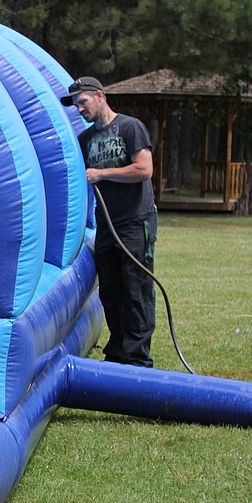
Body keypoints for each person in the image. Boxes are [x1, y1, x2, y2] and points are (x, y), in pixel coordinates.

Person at [60, 76, 157, 367]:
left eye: (83, 102)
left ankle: (138, 360)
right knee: (111, 292)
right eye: (76, 106)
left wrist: (102, 174)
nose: (79, 110)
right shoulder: (86, 140)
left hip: (135, 223)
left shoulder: (130, 127)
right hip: (106, 226)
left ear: (100, 96)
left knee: (135, 291)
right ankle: (116, 355)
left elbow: (144, 169)